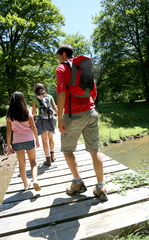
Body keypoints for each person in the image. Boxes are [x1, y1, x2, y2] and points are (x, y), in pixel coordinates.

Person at [56, 44, 108, 201]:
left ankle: (78, 183)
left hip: (73, 116)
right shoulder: (84, 68)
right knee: (94, 150)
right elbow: (94, 92)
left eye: (58, 56)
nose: (58, 60)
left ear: (64, 54)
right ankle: (101, 187)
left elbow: (61, 92)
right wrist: (88, 106)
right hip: (91, 112)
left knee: (67, 150)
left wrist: (60, 119)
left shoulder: (61, 69)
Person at [6, 91, 41, 191]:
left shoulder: (9, 115)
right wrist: (37, 139)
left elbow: (9, 131)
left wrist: (9, 146)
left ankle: (26, 184)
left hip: (17, 141)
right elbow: (33, 127)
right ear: (22, 100)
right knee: (33, 162)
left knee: (22, 164)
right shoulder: (27, 112)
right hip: (29, 139)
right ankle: (35, 180)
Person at [32, 83, 58, 167]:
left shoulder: (35, 99)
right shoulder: (49, 96)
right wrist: (60, 118)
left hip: (42, 121)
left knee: (44, 141)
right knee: (51, 138)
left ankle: (48, 160)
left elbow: (33, 113)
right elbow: (55, 108)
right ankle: (53, 155)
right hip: (51, 119)